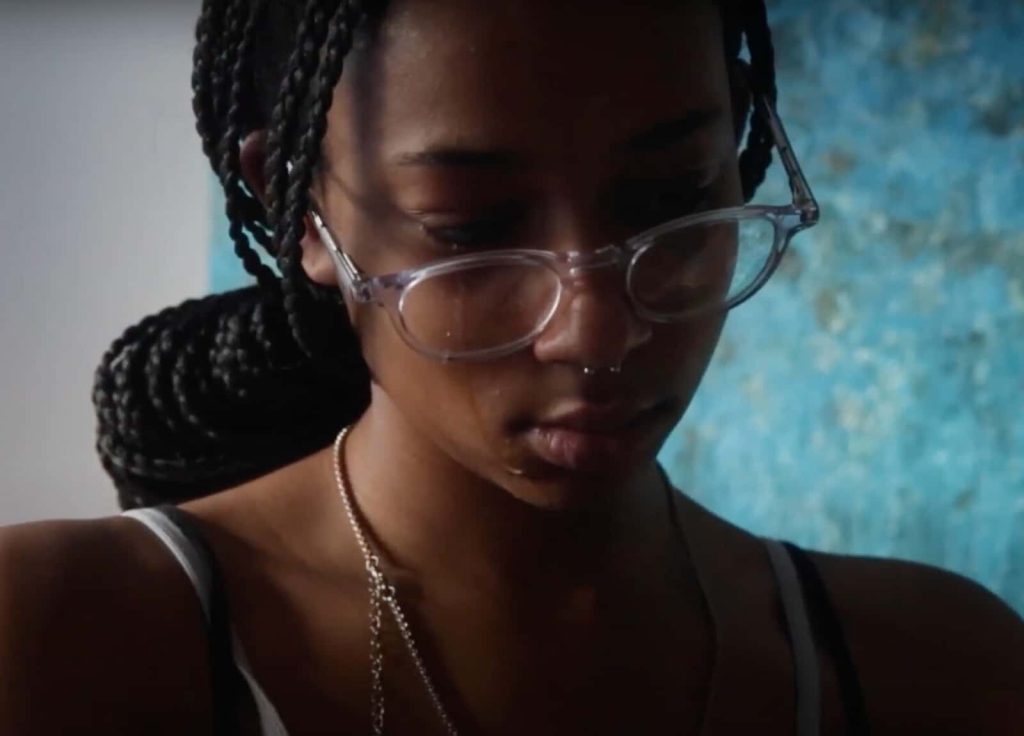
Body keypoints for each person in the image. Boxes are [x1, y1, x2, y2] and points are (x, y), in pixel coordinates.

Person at [1, 0, 1022, 733]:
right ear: (300, 205)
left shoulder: (936, 668)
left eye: (668, 196)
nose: (595, 332)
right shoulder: (64, 643)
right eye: (473, 226)